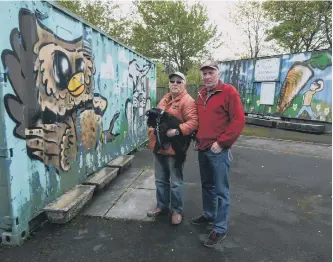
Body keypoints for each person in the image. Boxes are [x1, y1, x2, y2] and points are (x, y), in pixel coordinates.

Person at [189, 60, 246, 247]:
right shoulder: (201, 94)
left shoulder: (228, 92)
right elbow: (198, 120)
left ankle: (220, 228)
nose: (206, 76)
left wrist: (222, 143)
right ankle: (209, 215)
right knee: (207, 185)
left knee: (221, 190)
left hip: (218, 150)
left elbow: (238, 120)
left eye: (210, 72)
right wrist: (196, 136)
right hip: (203, 147)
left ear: (218, 73)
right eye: (204, 73)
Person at [147, 71, 198, 225]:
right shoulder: (164, 99)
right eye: (172, 81)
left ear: (184, 85)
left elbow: (194, 122)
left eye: (178, 81)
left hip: (175, 149)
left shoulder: (188, 101)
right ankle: (162, 206)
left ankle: (176, 210)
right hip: (159, 146)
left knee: (175, 182)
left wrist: (177, 131)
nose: (175, 84)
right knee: (160, 180)